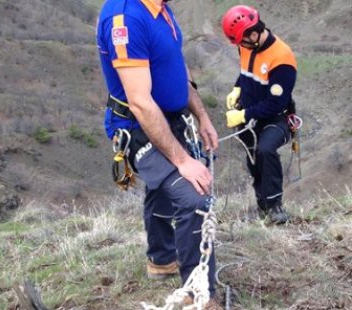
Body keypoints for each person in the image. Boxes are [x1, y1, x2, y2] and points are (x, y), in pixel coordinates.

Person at [96, 0, 221, 308]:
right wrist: (182, 161)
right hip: (137, 126)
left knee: (165, 187)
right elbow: (140, 102)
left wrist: (202, 116)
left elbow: (175, 64)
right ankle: (199, 294)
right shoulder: (125, 18)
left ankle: (162, 259)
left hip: (170, 118)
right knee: (194, 195)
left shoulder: (160, 8)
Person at [221, 5, 297, 225]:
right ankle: (262, 206)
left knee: (265, 150)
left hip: (276, 118)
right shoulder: (246, 46)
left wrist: (243, 115)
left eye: (241, 41)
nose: (240, 46)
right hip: (251, 115)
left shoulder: (282, 58)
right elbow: (246, 72)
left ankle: (276, 207)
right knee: (253, 158)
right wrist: (237, 88)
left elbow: (276, 103)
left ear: (253, 34)